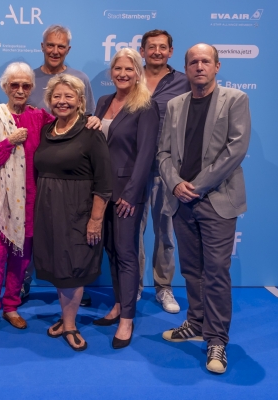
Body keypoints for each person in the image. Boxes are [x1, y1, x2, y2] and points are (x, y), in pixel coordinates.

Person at [158, 44, 251, 374]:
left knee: (215, 272)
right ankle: (195, 323)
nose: (199, 66)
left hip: (218, 200)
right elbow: (164, 154)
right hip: (182, 201)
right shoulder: (174, 105)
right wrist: (175, 184)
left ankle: (216, 339)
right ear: (186, 68)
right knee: (192, 270)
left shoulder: (235, 100)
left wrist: (197, 185)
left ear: (216, 66)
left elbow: (236, 150)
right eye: (193, 62)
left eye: (205, 61)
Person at [0, 62, 55, 337]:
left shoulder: (40, 118)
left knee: (21, 261)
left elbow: (68, 131)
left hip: (31, 202)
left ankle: (11, 306)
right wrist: (8, 142)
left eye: (26, 85)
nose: (20, 90)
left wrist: (91, 120)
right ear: (5, 87)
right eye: (14, 85)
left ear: (32, 88)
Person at [34, 74, 112, 351]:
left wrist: (95, 219)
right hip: (47, 210)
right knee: (58, 267)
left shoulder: (91, 132)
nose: (62, 101)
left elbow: (104, 182)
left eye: (69, 96)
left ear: (80, 101)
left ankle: (70, 324)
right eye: (57, 96)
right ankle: (65, 315)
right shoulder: (46, 130)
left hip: (78, 211)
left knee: (73, 267)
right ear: (49, 101)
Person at [24, 24, 97, 306]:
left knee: (72, 230)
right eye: (50, 45)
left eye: (61, 46)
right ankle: (24, 281)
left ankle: (74, 282)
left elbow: (88, 119)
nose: (55, 51)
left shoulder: (80, 78)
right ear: (42, 47)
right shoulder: (27, 78)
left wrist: (93, 121)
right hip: (34, 167)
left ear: (68, 49)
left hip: (72, 170)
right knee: (33, 228)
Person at [93, 48, 159, 349]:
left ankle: (127, 318)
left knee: (126, 253)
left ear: (138, 73)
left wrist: (132, 195)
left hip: (126, 194)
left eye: (129, 69)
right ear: (112, 72)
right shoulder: (103, 102)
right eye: (117, 68)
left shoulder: (146, 105)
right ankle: (119, 304)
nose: (122, 74)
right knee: (111, 251)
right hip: (100, 191)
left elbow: (145, 156)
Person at [137, 29, 190, 312]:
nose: (156, 51)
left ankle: (164, 287)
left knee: (166, 233)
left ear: (171, 52)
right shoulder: (131, 77)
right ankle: (132, 285)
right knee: (133, 231)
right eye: (151, 47)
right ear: (142, 50)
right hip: (134, 168)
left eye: (162, 47)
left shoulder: (184, 82)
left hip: (168, 169)